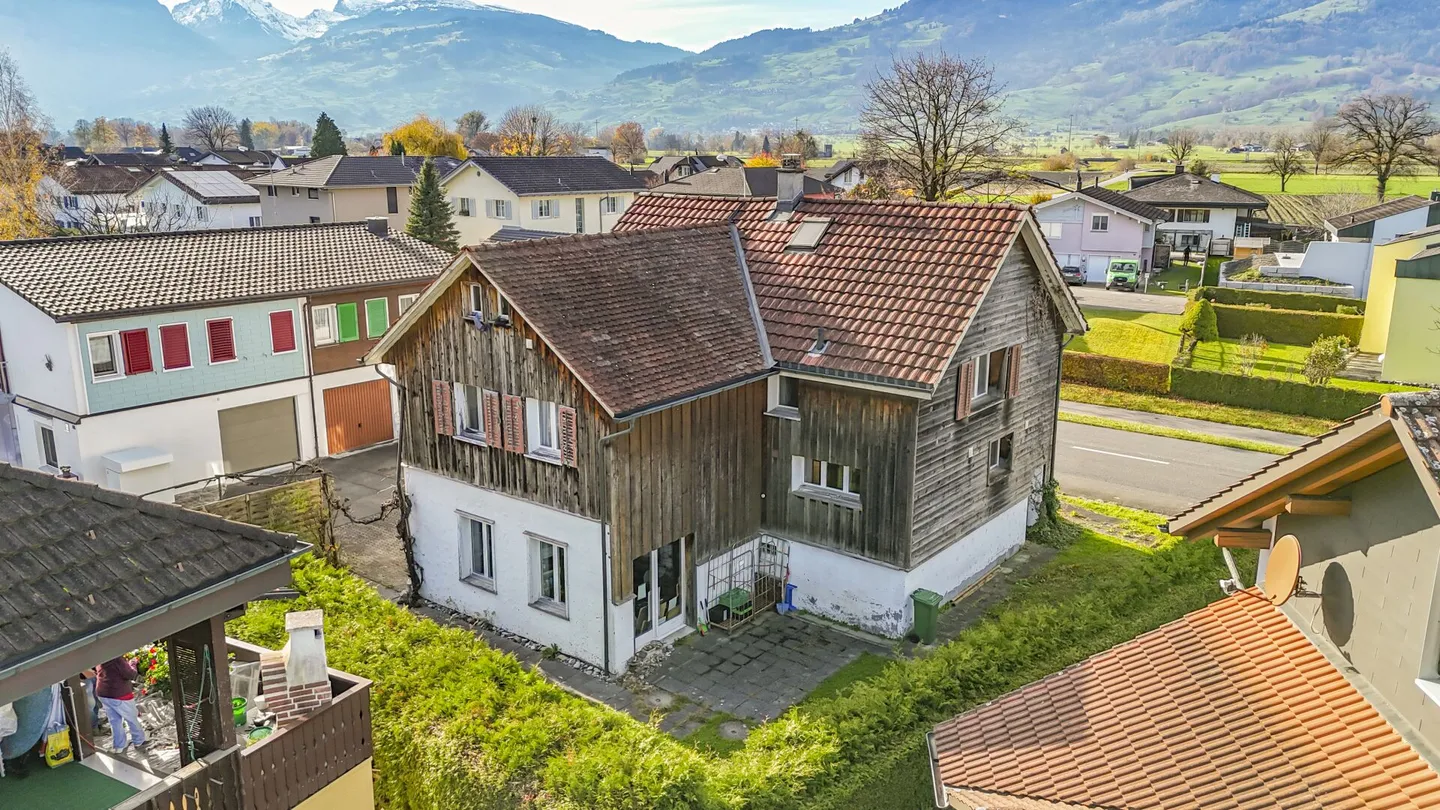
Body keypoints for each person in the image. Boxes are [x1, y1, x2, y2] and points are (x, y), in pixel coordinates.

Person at [95, 656, 146, 751]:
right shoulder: (117, 658)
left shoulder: (100, 655)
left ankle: (119, 746)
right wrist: (133, 664)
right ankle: (139, 741)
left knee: (115, 721)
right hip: (119, 693)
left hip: (103, 693)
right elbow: (130, 674)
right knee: (131, 717)